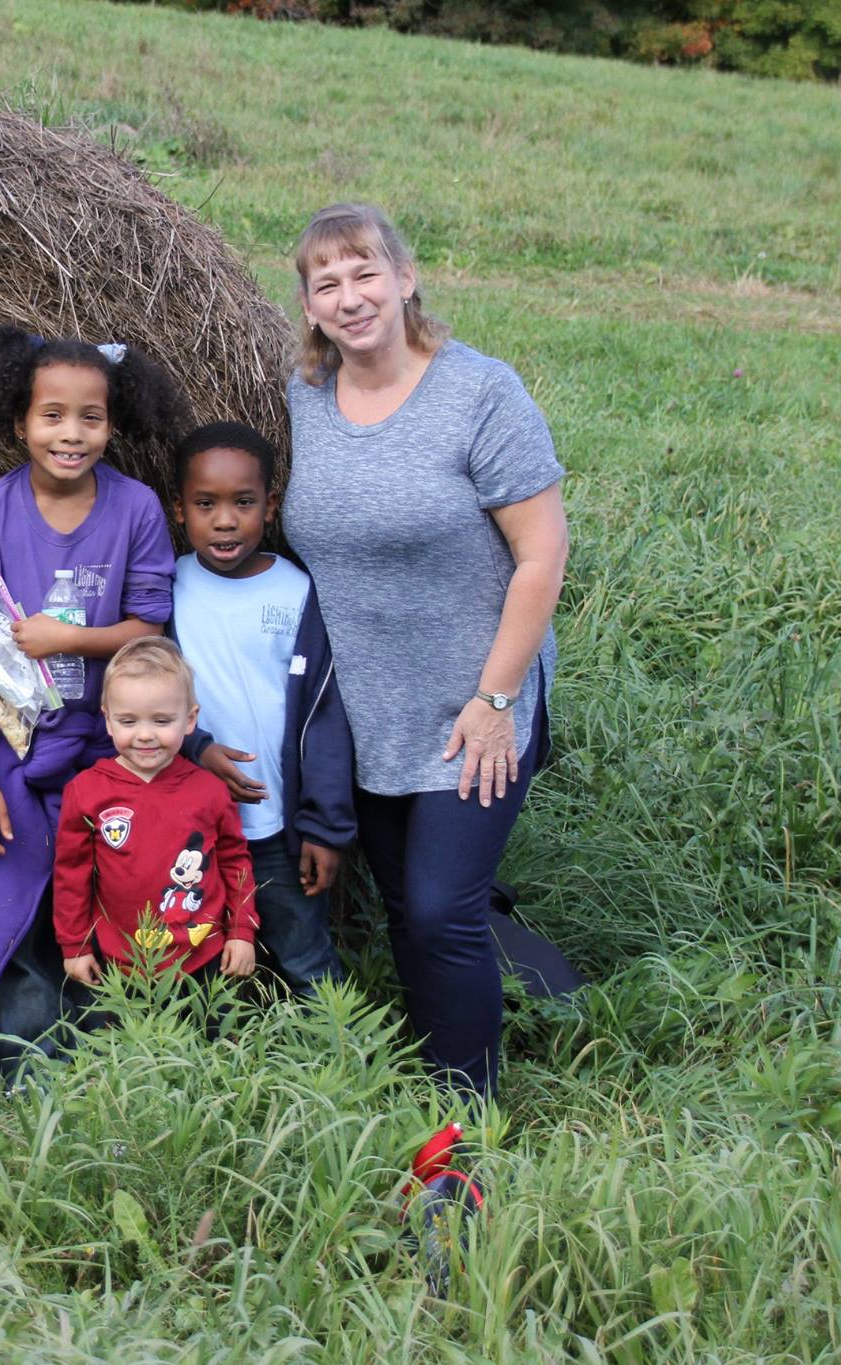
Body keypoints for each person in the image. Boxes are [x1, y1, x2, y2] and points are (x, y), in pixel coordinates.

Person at [282, 202, 569, 1097]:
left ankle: (465, 1117)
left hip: (473, 700)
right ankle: (455, 1050)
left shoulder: (479, 393)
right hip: (366, 709)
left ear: (406, 278)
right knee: (411, 908)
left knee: (443, 908)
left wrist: (497, 701)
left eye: (366, 272)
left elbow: (542, 555)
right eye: (327, 282)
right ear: (310, 305)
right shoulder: (304, 402)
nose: (351, 296)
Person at [0, 323, 188, 1069]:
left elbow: (148, 629)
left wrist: (68, 640)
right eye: (52, 415)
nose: (71, 433)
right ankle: (29, 1067)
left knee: (110, 895)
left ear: (113, 423)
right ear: (20, 421)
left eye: (91, 417)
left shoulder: (136, 508)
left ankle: (105, 1060)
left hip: (107, 747)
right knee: (17, 903)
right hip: (14, 752)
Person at [168, 421, 357, 993]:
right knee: (193, 951)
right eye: (206, 504)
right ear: (180, 510)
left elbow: (325, 717)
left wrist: (324, 827)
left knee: (304, 953)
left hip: (276, 822)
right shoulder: (168, 588)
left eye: (243, 502)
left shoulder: (297, 591)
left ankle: (337, 1037)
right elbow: (149, 693)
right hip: (194, 824)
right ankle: (215, 1038)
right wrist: (198, 749)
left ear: (271, 506)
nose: (225, 520)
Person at [52, 638, 256, 983]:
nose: (145, 735)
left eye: (161, 721)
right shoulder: (86, 792)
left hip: (204, 956)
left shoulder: (210, 791)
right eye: (128, 721)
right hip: (121, 961)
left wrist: (241, 931)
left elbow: (235, 862)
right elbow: (72, 876)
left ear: (190, 720)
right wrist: (75, 946)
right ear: (108, 720)